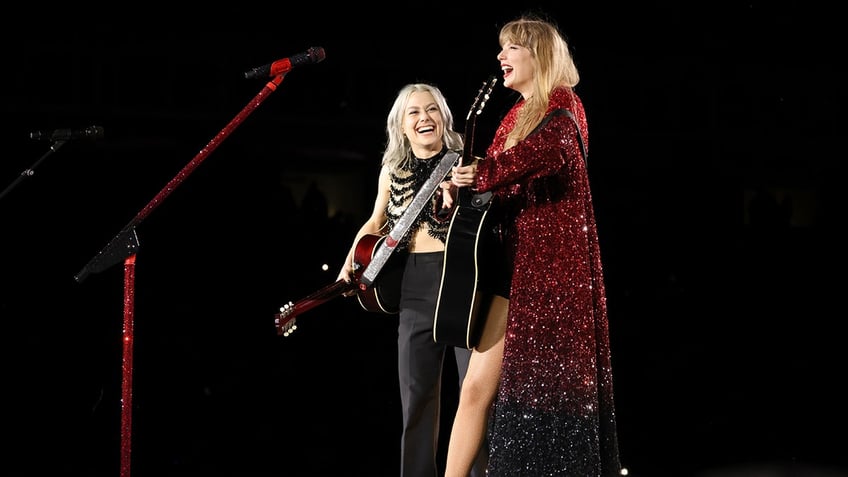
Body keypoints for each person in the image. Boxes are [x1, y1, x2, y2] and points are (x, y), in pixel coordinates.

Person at [441, 15, 622, 476]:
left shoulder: (564, 103)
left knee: (545, 402)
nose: (500, 56)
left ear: (538, 54)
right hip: (511, 268)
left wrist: (483, 172)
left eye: (512, 48)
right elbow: (492, 182)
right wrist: (459, 187)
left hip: (549, 276)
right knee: (475, 389)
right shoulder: (513, 116)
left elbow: (551, 151)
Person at [336, 83, 487, 477]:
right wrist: (350, 260)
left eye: (432, 109)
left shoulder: (467, 162)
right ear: (402, 126)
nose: (424, 118)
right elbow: (375, 221)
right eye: (414, 112)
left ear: (444, 117)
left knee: (474, 396)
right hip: (413, 285)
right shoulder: (392, 170)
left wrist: (471, 184)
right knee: (416, 398)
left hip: (462, 280)